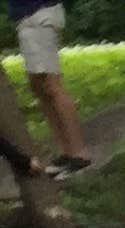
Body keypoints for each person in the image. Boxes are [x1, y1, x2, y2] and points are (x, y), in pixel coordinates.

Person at [10, 4, 89, 172]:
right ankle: (66, 152)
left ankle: (80, 154)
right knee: (38, 87)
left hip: (39, 17)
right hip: (26, 21)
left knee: (52, 85)